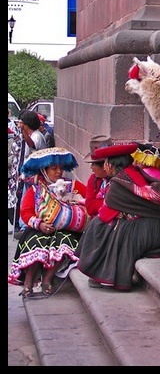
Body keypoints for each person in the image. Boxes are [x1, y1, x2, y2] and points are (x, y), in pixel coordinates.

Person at [75, 142, 160, 291]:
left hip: (156, 232)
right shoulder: (133, 172)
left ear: (111, 165)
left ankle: (103, 273)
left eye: (106, 162)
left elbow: (104, 215)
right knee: (116, 225)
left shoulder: (119, 183)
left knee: (100, 226)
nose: (105, 167)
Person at [8, 147, 88, 298]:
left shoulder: (73, 186)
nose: (58, 171)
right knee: (35, 242)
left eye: (60, 168)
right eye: (53, 168)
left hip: (65, 230)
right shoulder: (35, 190)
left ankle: (47, 279)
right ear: (44, 171)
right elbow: (26, 212)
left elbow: (89, 199)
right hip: (40, 228)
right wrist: (40, 224)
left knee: (65, 242)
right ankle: (28, 282)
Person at [14, 110, 48, 238]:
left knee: (28, 199)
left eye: (22, 123)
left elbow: (32, 145)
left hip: (35, 174)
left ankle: (25, 226)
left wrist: (23, 132)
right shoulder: (33, 135)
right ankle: (24, 224)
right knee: (26, 199)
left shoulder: (36, 136)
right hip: (29, 174)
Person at [83, 135, 113, 217]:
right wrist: (108, 202)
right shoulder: (93, 179)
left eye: (93, 164)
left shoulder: (119, 180)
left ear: (104, 166)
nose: (91, 168)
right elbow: (90, 207)